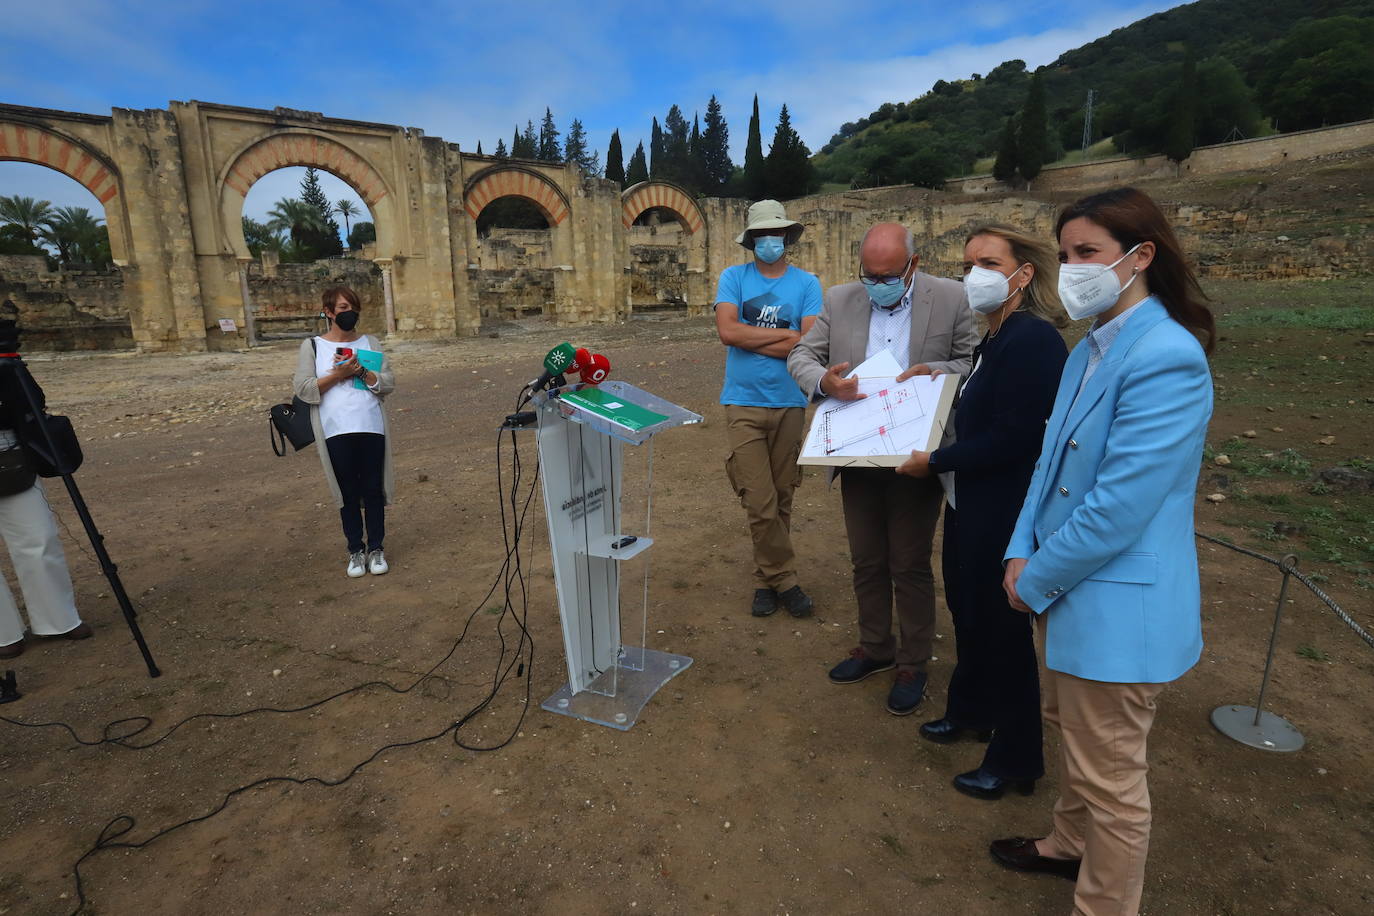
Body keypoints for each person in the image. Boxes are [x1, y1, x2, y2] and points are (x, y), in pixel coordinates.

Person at [991, 188, 1215, 916]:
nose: (1072, 268)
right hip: (1064, 589)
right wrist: (1019, 552)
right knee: (1077, 741)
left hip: (1113, 603)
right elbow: (1049, 465)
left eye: (1087, 253)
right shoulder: (1090, 346)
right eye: (1065, 255)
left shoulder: (1167, 358)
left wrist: (1036, 577)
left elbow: (1119, 507)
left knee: (1114, 776)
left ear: (1140, 256)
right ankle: (1067, 845)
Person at [895, 224, 1068, 799]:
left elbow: (1017, 436)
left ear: (1025, 273)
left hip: (1003, 508)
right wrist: (937, 373)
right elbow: (981, 394)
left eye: (989, 263)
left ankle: (1017, 759)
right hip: (968, 503)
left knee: (1003, 631)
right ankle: (971, 711)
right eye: (969, 263)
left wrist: (937, 458)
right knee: (969, 612)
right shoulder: (993, 337)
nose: (976, 275)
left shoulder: (1034, 340)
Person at [788, 223, 977, 715]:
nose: (877, 284)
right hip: (855, 451)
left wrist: (938, 372)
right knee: (867, 559)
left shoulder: (951, 297)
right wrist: (825, 384)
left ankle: (913, 660)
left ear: (912, 265)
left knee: (909, 563)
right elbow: (802, 354)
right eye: (869, 275)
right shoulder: (841, 299)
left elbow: (973, 361)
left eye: (888, 275)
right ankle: (875, 647)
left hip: (916, 456)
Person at [715, 199, 822, 619]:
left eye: (775, 234)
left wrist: (750, 335)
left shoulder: (807, 283)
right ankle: (786, 579)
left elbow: (810, 342)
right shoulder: (733, 278)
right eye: (762, 235)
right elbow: (726, 332)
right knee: (758, 500)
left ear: (787, 237)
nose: (769, 241)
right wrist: (786, 338)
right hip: (742, 401)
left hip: (791, 402)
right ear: (752, 240)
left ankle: (765, 580)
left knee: (781, 497)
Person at [293, 286, 396, 578]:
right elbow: (303, 388)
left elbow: (387, 383)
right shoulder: (313, 346)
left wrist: (361, 371)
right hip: (335, 430)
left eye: (352, 307)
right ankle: (355, 550)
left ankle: (376, 548)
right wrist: (338, 375)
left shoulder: (370, 342)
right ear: (328, 312)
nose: (349, 313)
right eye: (342, 308)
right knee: (347, 492)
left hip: (371, 426)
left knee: (374, 490)